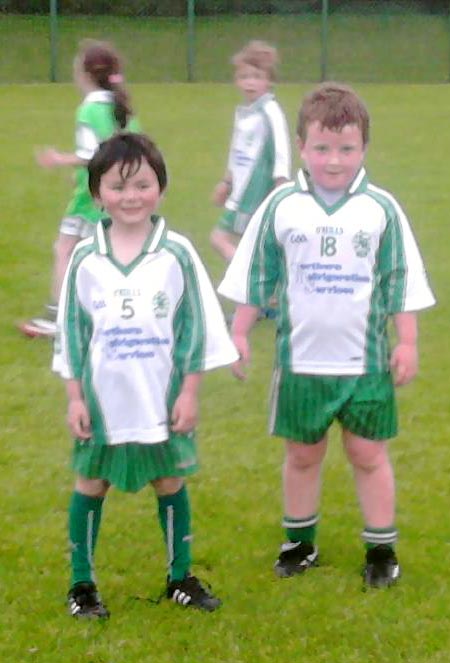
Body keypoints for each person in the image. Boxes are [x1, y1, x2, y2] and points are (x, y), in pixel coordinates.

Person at [218, 82, 435, 588]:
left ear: (364, 149)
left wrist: (408, 341)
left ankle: (381, 548)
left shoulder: (380, 209)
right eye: (321, 147)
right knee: (302, 454)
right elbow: (257, 275)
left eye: (346, 148)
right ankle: (299, 543)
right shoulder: (281, 207)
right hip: (300, 362)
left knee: (368, 453)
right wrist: (241, 332)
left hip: (366, 365)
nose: (333, 160)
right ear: (301, 146)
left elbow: (400, 278)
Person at [53, 132, 239, 618]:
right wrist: (74, 398)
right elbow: (71, 333)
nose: (130, 196)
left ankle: (181, 577)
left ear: (160, 187)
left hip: (162, 397)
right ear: (97, 194)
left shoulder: (176, 252)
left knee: (170, 481)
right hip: (102, 400)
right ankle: (82, 586)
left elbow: (195, 327)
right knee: (90, 483)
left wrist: (191, 392)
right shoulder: (85, 257)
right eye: (117, 186)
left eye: (142, 184)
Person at [20, 39, 140, 338]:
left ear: (86, 74)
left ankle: (60, 318)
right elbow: (133, 149)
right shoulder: (121, 106)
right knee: (97, 252)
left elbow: (92, 155)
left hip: (92, 196)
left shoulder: (89, 109)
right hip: (120, 192)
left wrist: (60, 159)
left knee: (69, 250)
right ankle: (112, 312)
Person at [210, 40, 291, 270]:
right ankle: (261, 287)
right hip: (240, 191)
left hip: (256, 192)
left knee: (220, 238)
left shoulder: (270, 111)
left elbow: (281, 152)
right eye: (244, 77)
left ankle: (249, 275)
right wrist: (226, 182)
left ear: (269, 80)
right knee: (250, 244)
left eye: (256, 77)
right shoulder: (244, 112)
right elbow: (237, 152)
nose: (250, 83)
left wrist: (280, 187)